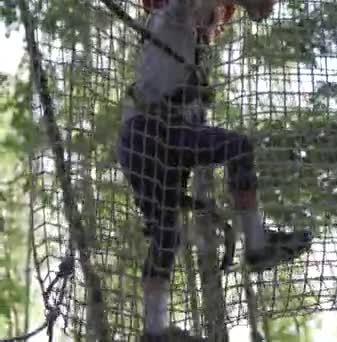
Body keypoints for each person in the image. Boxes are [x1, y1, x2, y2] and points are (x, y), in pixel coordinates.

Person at [116, 0, 312, 339]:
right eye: (216, 15)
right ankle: (257, 245)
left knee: (166, 235)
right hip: (145, 134)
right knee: (236, 148)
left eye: (219, 19)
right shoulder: (172, 16)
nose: (215, 24)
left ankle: (153, 331)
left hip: (154, 142)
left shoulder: (191, 57)